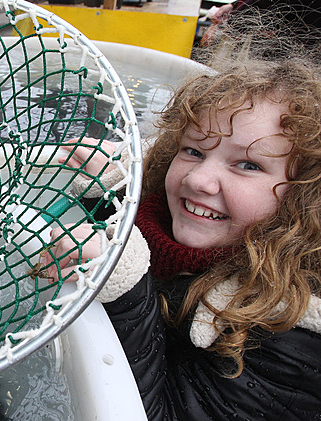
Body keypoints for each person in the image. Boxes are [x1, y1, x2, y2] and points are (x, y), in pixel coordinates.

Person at [46, 58, 321, 419]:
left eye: (248, 165)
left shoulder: (295, 340)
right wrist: (108, 192)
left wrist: (126, 290)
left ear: (305, 197)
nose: (198, 180)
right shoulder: (171, 221)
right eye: (194, 151)